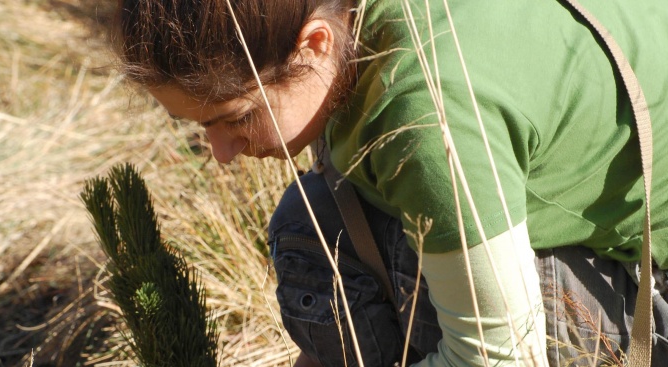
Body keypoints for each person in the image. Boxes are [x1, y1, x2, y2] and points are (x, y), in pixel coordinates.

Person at [112, 0, 668, 366]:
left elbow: (500, 356)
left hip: (650, 291)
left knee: (391, 253)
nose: (222, 155)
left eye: (235, 117)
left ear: (315, 43)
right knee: (323, 222)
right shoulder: (356, 27)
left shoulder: (427, 119)